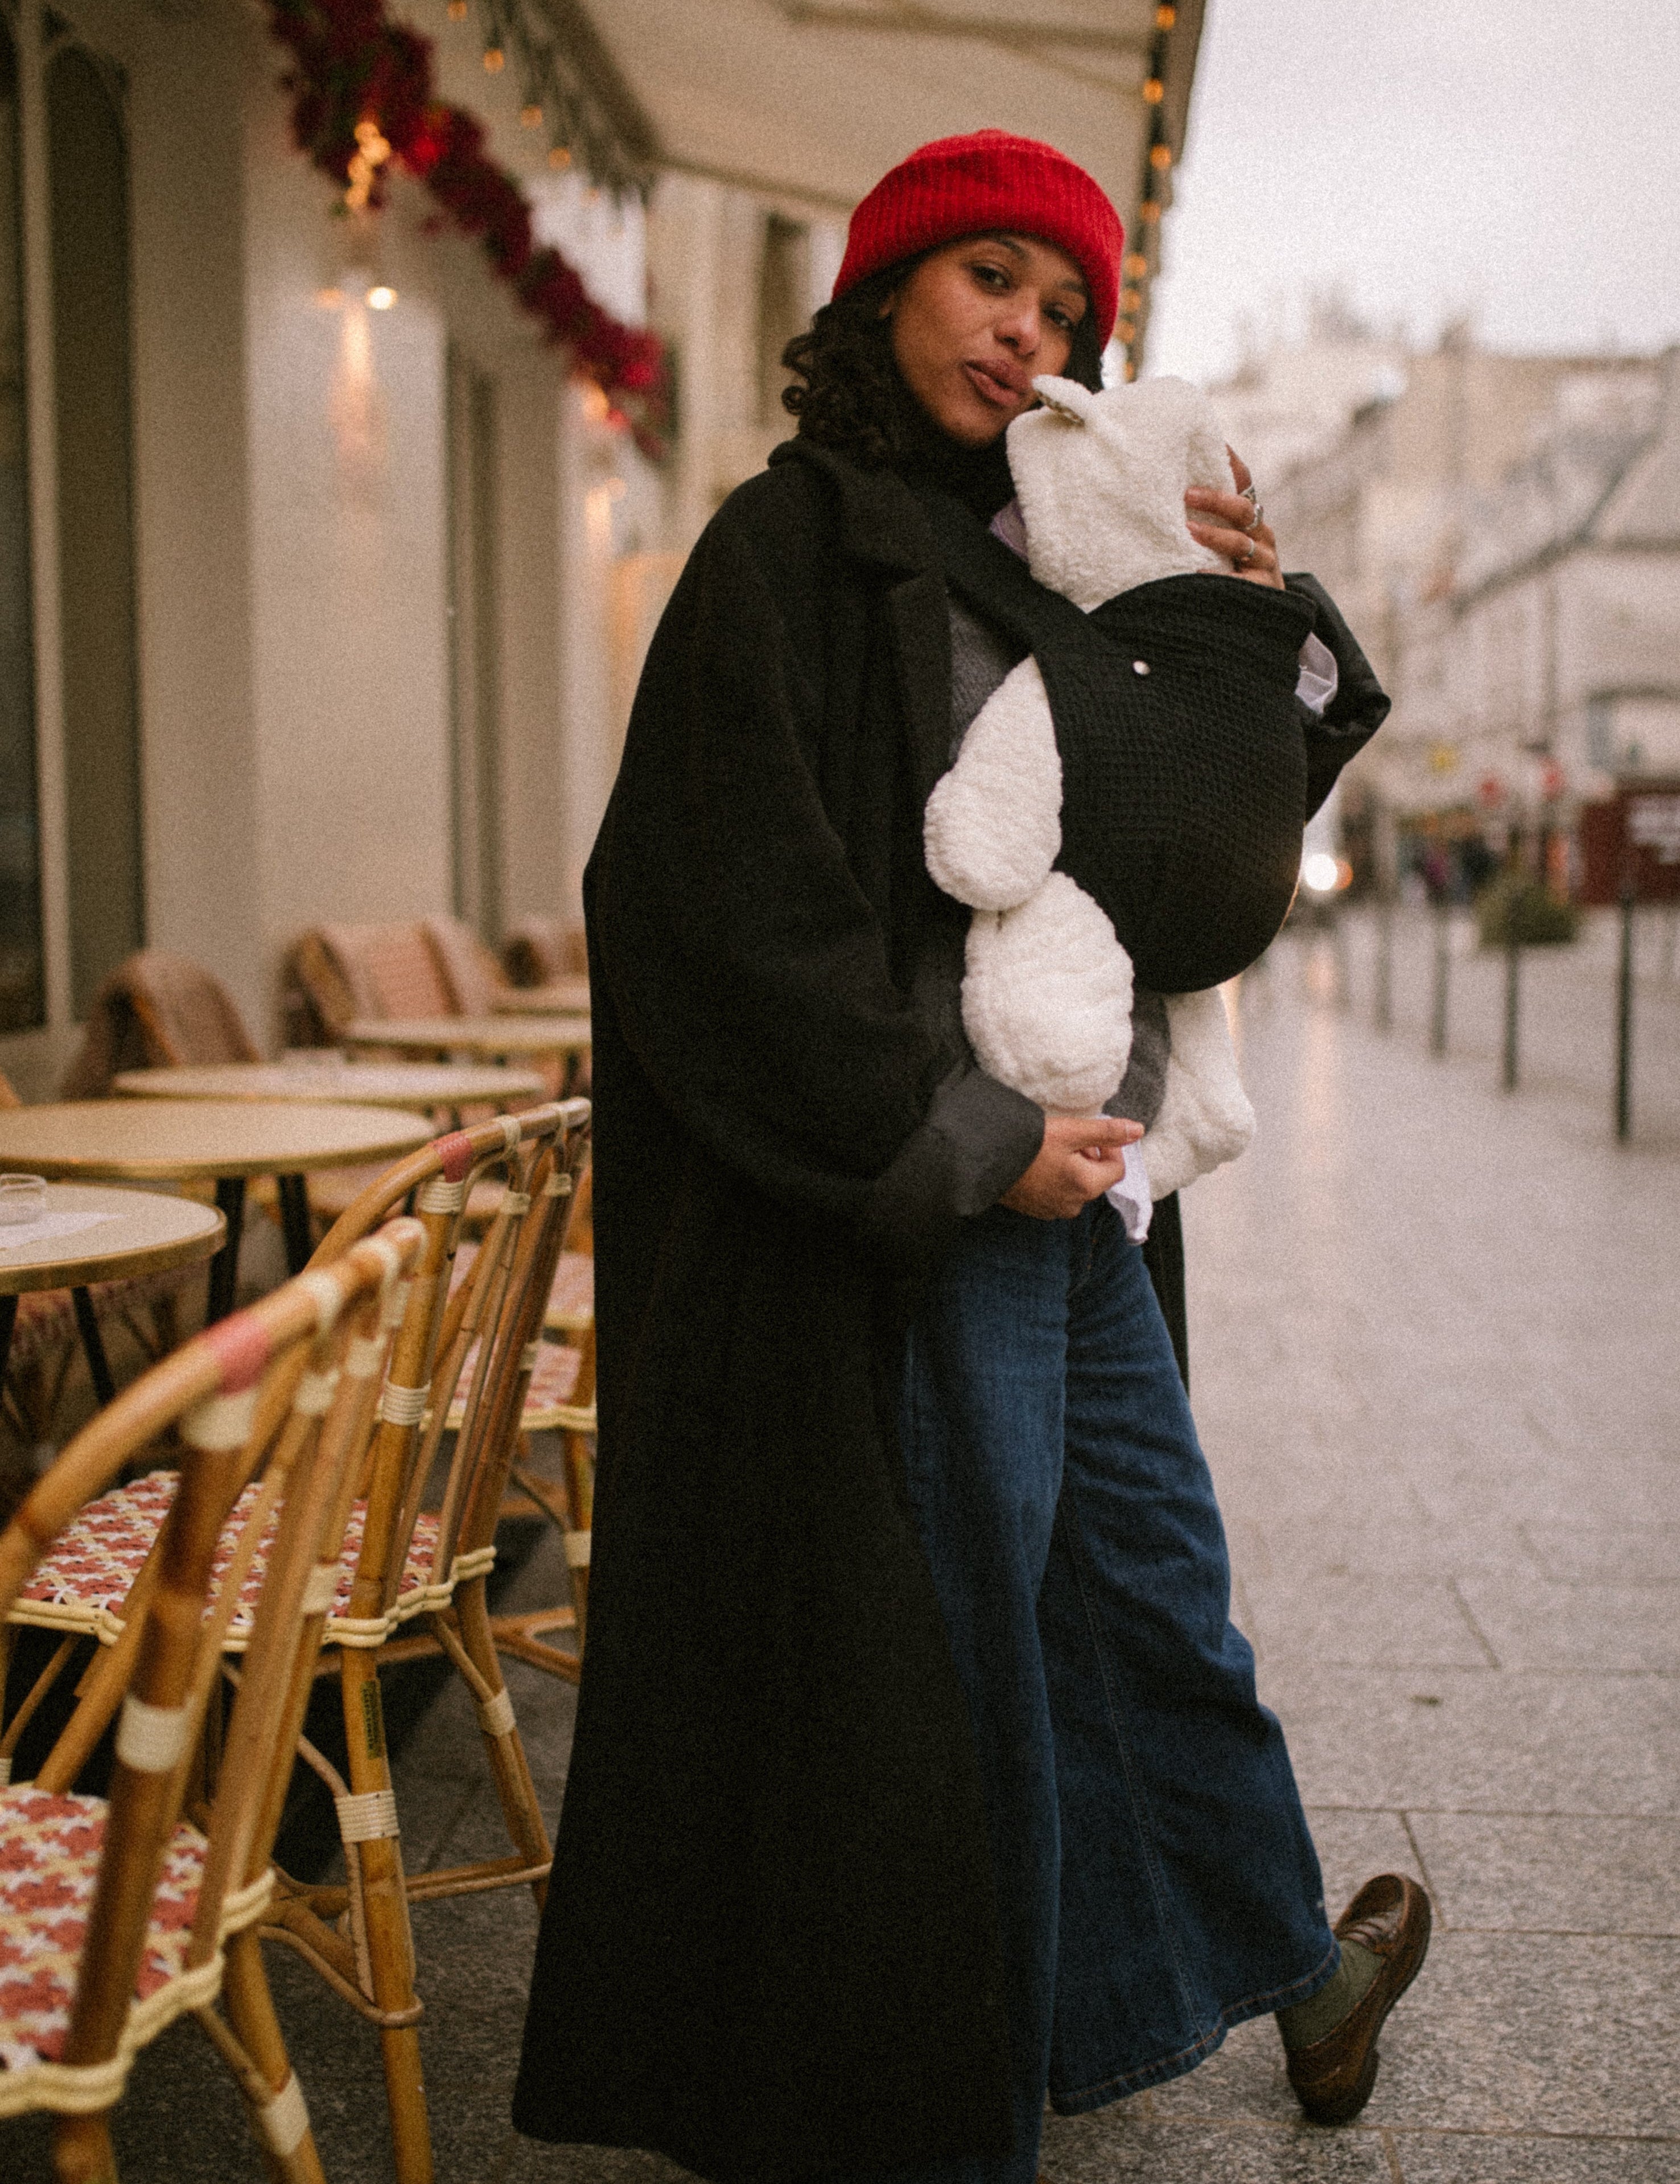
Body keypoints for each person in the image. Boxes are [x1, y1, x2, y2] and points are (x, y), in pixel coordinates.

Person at [514, 131, 1428, 2184]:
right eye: (989, 278)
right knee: (961, 1662)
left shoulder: (1062, 559)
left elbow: (1205, 830)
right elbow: (713, 907)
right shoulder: (783, 548)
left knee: (1153, 1598)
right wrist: (962, 1139)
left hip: (1074, 1193)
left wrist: (1260, 617)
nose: (1027, 334)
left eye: (1065, 308)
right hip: (906, 1206)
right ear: (887, 290)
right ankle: (952, 2114)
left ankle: (1294, 1971)